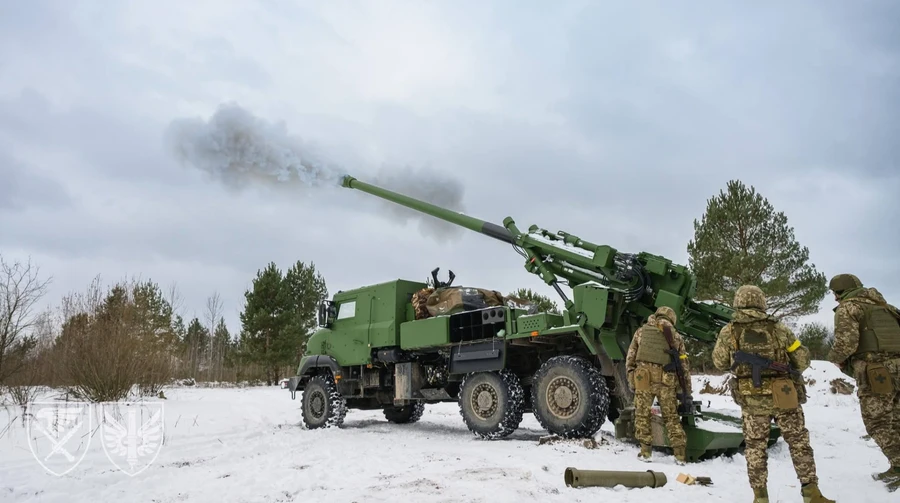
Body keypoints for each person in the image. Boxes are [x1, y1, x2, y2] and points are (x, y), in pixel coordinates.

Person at [712, 285, 833, 503]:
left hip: (751, 398)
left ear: (738, 302)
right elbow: (802, 360)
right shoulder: (780, 329)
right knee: (798, 442)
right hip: (784, 394)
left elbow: (719, 363)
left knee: (755, 447)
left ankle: (760, 497)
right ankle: (812, 493)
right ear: (761, 302)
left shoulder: (729, 331)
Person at [827, 273, 900, 491]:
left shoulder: (848, 308)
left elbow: (846, 344)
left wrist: (835, 360)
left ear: (840, 292)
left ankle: (898, 465)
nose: (835, 299)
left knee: (877, 421)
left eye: (835, 294)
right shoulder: (887, 308)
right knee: (896, 419)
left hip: (877, 373)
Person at [625, 306, 690, 465]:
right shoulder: (676, 336)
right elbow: (684, 366)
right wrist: (686, 389)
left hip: (643, 379)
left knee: (642, 414)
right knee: (671, 417)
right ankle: (680, 455)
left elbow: (630, 357)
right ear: (671, 319)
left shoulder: (641, 332)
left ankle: (646, 452)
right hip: (665, 381)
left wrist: (631, 378)